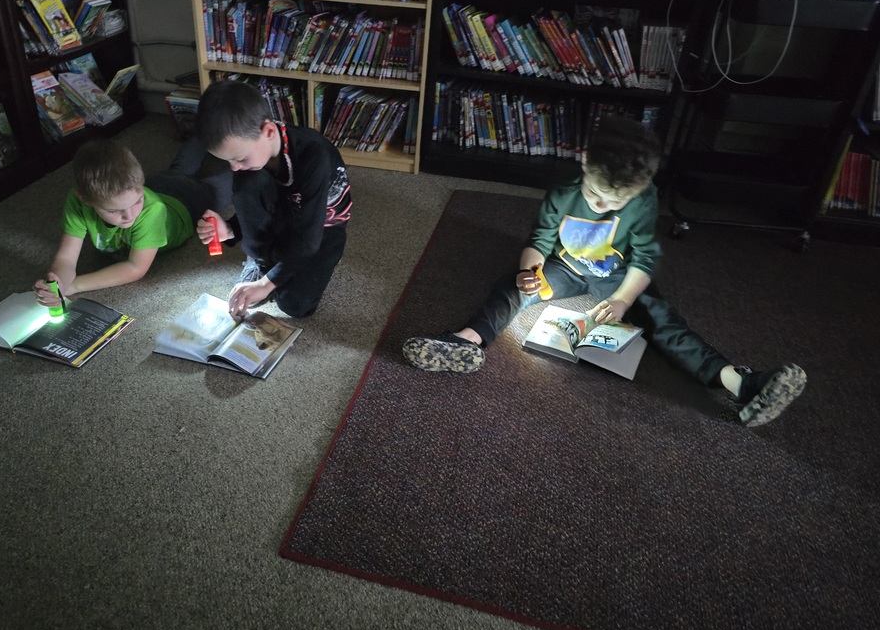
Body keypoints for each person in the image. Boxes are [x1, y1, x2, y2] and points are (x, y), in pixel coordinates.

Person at [401, 115, 806, 428]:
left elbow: (644, 257)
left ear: (641, 186)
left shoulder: (646, 197)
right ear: (584, 163)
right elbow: (540, 237)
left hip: (617, 275)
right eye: (594, 194)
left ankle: (740, 383)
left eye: (616, 202)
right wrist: (530, 270)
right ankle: (467, 341)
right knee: (510, 287)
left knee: (661, 319)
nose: (601, 206)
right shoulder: (563, 187)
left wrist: (623, 298)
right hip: (562, 265)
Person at [188, 79, 352, 319]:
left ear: (269, 132)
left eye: (240, 158)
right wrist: (230, 230)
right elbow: (260, 202)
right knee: (247, 179)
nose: (234, 167)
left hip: (321, 227)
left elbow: (308, 239)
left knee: (294, 305)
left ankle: (271, 268)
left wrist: (266, 284)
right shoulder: (251, 159)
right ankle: (260, 259)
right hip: (284, 213)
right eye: (228, 161)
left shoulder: (313, 156)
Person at [33, 138, 216, 306]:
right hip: (154, 186)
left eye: (137, 202)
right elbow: (66, 258)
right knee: (177, 171)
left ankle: (205, 134)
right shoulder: (79, 202)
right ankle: (200, 137)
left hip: (187, 203)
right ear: (85, 199)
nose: (129, 216)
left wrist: (74, 286)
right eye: (113, 211)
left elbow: (135, 267)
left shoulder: (152, 210)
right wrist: (59, 281)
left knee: (222, 180)